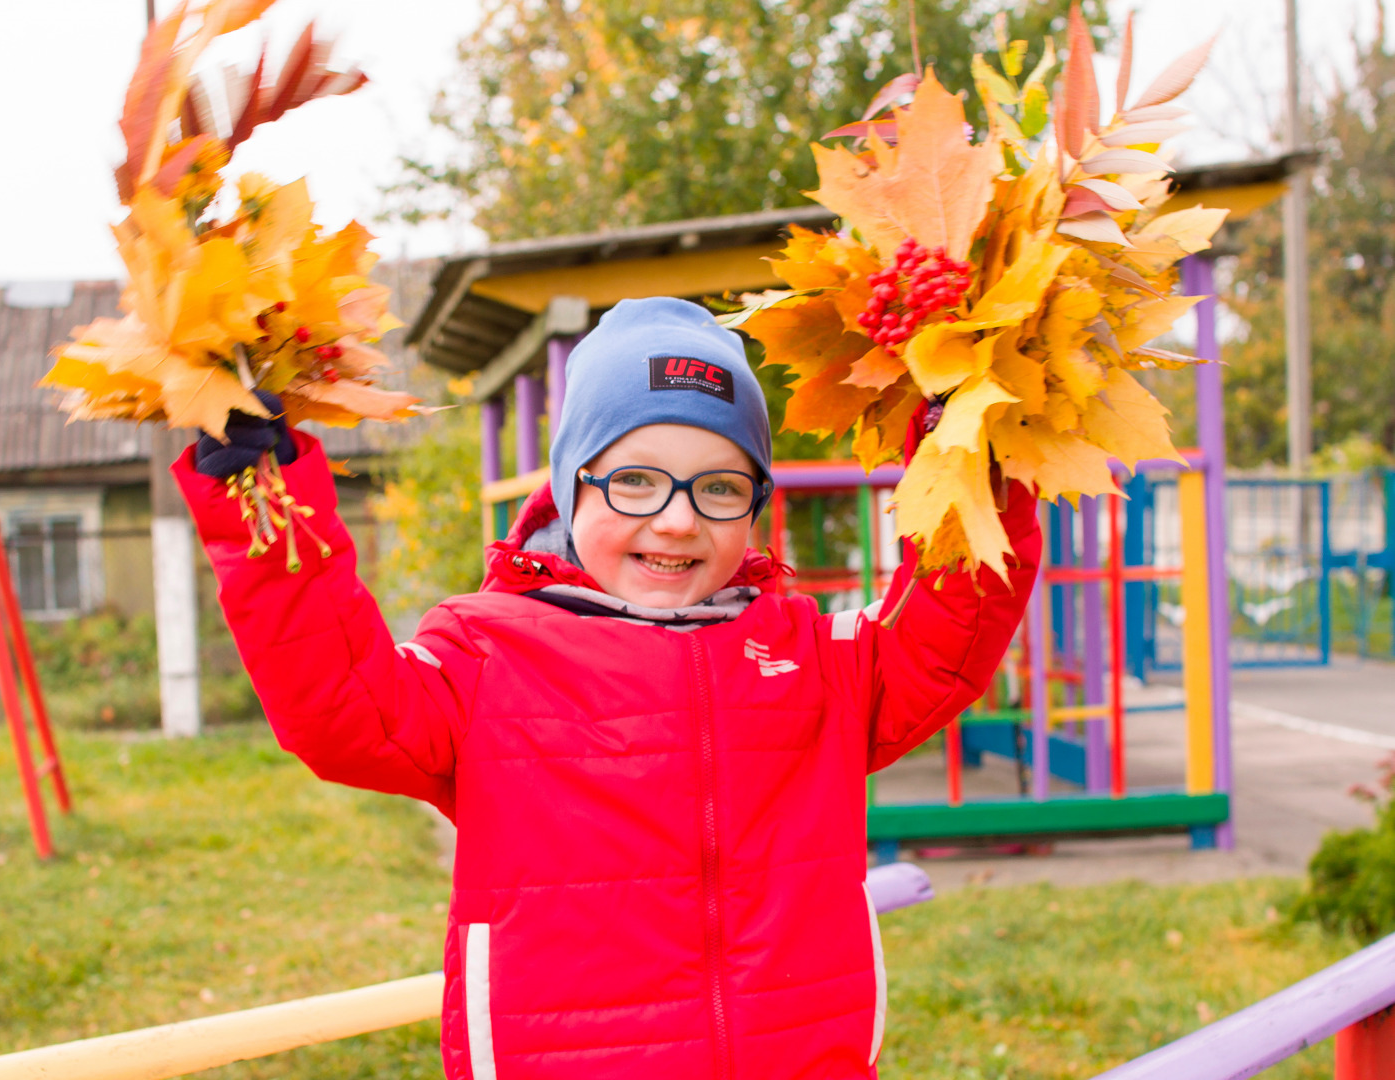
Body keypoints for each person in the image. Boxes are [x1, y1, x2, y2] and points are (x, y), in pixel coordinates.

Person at [174, 296, 1040, 1079]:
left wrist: (974, 459)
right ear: (569, 484)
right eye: (633, 479)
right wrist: (266, 500)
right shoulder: (485, 655)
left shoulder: (812, 658)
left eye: (720, 487)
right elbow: (343, 710)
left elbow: (948, 632)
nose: (676, 518)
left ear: (755, 505)